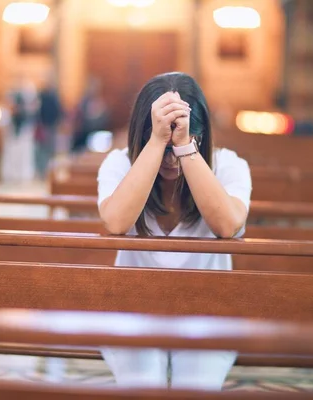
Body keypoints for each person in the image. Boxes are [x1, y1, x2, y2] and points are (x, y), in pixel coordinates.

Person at [96, 72, 252, 390]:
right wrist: (158, 141)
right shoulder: (118, 165)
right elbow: (116, 222)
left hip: (207, 316)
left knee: (195, 390)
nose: (171, 159)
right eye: (162, 144)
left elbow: (227, 225)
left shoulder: (229, 166)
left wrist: (183, 147)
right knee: (143, 388)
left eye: (184, 137)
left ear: (202, 134)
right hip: (134, 316)